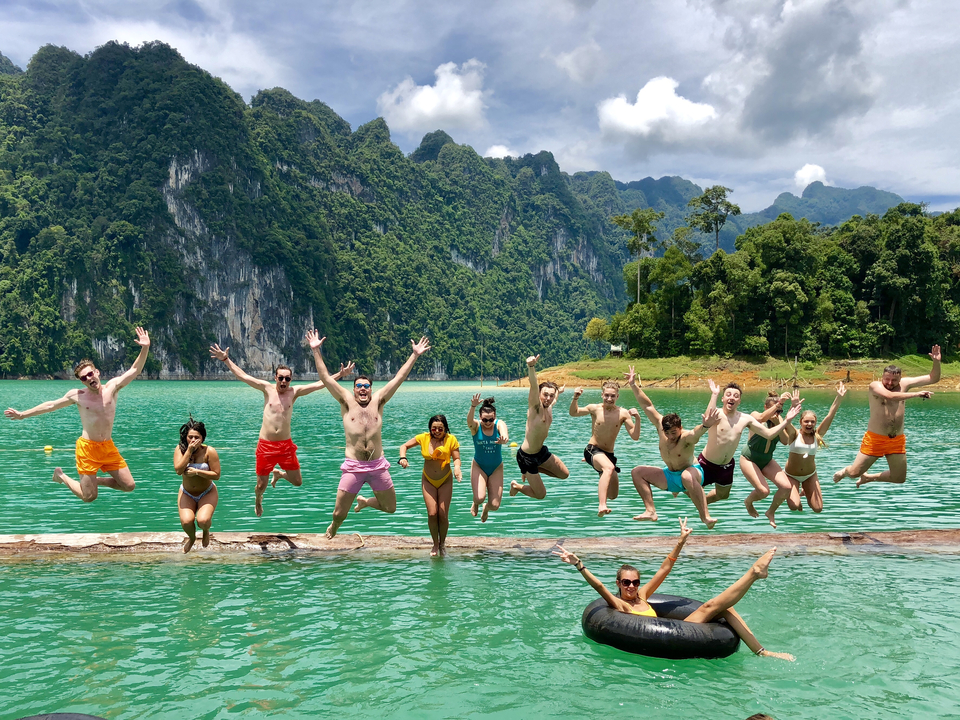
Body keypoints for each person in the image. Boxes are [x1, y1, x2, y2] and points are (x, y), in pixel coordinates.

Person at [553, 518, 794, 661]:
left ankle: (762, 651)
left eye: (635, 582)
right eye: (626, 582)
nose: (631, 586)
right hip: (662, 634)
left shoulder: (643, 595)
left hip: (683, 628)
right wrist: (579, 564)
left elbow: (664, 568)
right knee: (713, 605)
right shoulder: (620, 605)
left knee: (724, 609)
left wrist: (681, 540)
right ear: (619, 584)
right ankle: (753, 573)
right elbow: (599, 586)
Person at [308, 329, 431, 539]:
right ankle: (334, 528)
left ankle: (365, 502)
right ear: (354, 389)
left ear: (371, 389)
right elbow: (325, 378)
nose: (362, 389)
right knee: (338, 513)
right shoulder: (346, 401)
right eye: (359, 386)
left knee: (390, 507)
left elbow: (399, 378)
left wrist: (415, 355)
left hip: (377, 465)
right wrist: (316, 350)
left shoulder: (379, 401)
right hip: (354, 466)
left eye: (366, 386)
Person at [5, 327, 151, 502]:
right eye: (84, 378)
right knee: (89, 497)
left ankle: (95, 481)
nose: (89, 378)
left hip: (108, 447)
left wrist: (145, 347)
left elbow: (134, 370)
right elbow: (51, 405)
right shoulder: (78, 396)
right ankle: (61, 476)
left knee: (129, 486)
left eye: (90, 374)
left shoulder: (112, 388)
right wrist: (23, 415)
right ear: (82, 381)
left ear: (97, 372)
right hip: (88, 449)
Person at [209, 342, 353, 517]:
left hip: (285, 446)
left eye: (287, 378)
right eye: (281, 378)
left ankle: (279, 474)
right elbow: (244, 376)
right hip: (266, 446)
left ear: (290, 380)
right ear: (275, 378)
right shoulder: (266, 389)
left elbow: (321, 383)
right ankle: (258, 500)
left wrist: (340, 374)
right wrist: (225, 359)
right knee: (261, 486)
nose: (284, 381)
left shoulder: (295, 392)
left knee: (297, 481)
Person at [625, 367, 721, 528]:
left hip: (693, 474)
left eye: (674, 433)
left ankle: (705, 516)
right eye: (667, 433)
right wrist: (633, 384)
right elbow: (647, 406)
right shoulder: (660, 424)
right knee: (637, 472)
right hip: (670, 476)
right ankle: (650, 511)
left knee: (686, 476)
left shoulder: (686, 437)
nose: (670, 437)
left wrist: (707, 423)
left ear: (680, 428)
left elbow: (699, 430)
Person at [834, 346, 940, 488]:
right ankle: (844, 471)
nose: (889, 383)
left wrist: (936, 362)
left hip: (896, 440)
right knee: (854, 473)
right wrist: (917, 394)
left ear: (900, 379)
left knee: (899, 478)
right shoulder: (875, 385)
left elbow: (933, 378)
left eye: (894, 381)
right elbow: (890, 396)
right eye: (887, 379)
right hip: (875, 439)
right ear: (882, 377)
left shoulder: (905, 384)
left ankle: (869, 478)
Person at [699, 380, 803, 504]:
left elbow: (772, 435)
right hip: (708, 462)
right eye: (728, 395)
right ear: (723, 399)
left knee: (723, 495)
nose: (732, 397)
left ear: (739, 401)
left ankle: (701, 504)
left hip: (726, 465)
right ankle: (695, 503)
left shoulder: (745, 418)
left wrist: (786, 421)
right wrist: (714, 394)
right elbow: (707, 419)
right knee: (690, 489)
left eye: (736, 396)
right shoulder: (718, 414)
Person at [766, 383, 846, 527]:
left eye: (812, 421)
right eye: (806, 421)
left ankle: (804, 490)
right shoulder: (794, 434)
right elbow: (787, 420)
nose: (809, 424)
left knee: (818, 508)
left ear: (815, 423)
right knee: (794, 506)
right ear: (801, 422)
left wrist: (838, 398)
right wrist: (793, 406)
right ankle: (797, 492)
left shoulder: (818, 435)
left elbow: (830, 415)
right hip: (791, 475)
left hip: (810, 474)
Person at [569, 381, 642, 516]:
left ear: (617, 397)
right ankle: (602, 505)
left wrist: (638, 419)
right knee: (609, 468)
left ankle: (600, 468)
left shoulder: (623, 413)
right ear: (602, 395)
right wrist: (575, 397)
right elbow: (574, 413)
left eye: (612, 396)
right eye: (606, 395)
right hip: (593, 449)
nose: (609, 399)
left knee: (613, 495)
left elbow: (635, 436)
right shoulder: (595, 408)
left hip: (609, 455)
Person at [399, 415, 462, 556]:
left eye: (440, 428)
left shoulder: (451, 439)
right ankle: (435, 544)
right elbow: (404, 446)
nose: (437, 431)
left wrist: (457, 468)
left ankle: (443, 544)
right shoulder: (423, 438)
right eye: (434, 428)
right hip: (428, 480)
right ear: (430, 428)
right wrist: (403, 457)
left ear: (445, 428)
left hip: (445, 479)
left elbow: (456, 458)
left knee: (443, 514)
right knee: (432, 513)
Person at [510, 354, 569, 500]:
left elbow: (554, 399)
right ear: (539, 395)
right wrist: (531, 367)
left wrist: (558, 392)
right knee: (541, 494)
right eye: (545, 395)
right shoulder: (535, 407)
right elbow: (534, 383)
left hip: (540, 452)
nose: (548, 398)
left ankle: (530, 472)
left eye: (551, 395)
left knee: (564, 474)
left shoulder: (549, 406)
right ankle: (517, 486)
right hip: (527, 457)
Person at [740, 391, 794, 523]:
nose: (776, 413)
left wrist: (780, 422)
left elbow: (785, 441)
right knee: (764, 491)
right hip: (749, 459)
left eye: (779, 411)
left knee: (786, 487)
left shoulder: (778, 420)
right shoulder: (755, 416)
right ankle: (748, 502)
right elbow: (762, 418)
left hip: (767, 460)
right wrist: (777, 406)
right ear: (766, 407)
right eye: (773, 409)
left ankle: (771, 512)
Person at [173, 418, 221, 553]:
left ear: (202, 438)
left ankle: (206, 530)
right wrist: (189, 451)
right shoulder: (180, 449)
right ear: (185, 437)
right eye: (190, 437)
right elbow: (178, 470)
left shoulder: (209, 451)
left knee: (203, 520)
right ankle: (192, 538)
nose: (193, 440)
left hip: (207, 492)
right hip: (187, 492)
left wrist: (197, 472)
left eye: (196, 437)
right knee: (187, 522)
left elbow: (216, 475)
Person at [466, 394, 509, 522]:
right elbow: (469, 421)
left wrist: (504, 438)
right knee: (479, 497)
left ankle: (486, 509)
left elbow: (504, 431)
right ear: (480, 418)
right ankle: (476, 503)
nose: (488, 422)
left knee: (495, 505)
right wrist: (473, 406)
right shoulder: (476, 427)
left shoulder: (498, 424)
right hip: (479, 466)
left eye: (491, 419)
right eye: (485, 420)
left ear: (494, 417)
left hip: (496, 467)